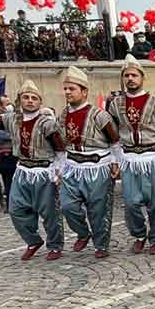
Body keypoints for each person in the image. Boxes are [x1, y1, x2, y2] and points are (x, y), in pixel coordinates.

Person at [0, 80, 67, 261]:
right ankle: (33, 240)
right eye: (26, 97)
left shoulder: (47, 124)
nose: (30, 101)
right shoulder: (11, 119)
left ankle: (55, 245)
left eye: (34, 98)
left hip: (44, 171)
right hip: (22, 170)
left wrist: (58, 171)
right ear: (19, 100)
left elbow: (60, 149)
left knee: (49, 212)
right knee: (16, 209)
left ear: (39, 102)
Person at [107, 55, 155, 255]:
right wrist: (115, 160)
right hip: (129, 159)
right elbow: (113, 136)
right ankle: (139, 234)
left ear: (142, 78)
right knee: (131, 203)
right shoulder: (115, 105)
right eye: (126, 75)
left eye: (134, 75)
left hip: (153, 157)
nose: (130, 79)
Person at [58, 66, 122, 258]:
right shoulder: (63, 114)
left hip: (97, 167)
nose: (68, 92)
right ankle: (83, 233)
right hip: (73, 168)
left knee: (98, 209)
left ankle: (101, 244)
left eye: (72, 89)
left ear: (84, 91)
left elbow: (115, 140)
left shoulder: (100, 115)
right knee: (67, 206)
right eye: (66, 89)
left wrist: (116, 163)